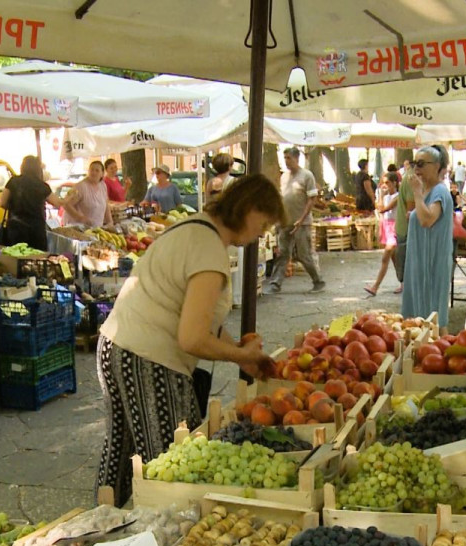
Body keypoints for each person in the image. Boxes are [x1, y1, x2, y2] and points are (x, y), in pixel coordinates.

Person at [96, 174, 285, 506]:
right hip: (149, 358)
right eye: (265, 223)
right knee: (173, 461)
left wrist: (243, 354)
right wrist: (236, 356)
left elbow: (202, 321)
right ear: (249, 209)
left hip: (117, 344)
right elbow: (192, 338)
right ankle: (162, 539)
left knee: (120, 451)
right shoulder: (209, 251)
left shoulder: (195, 228)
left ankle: (99, 529)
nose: (262, 234)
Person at [402, 146, 454, 335]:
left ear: (437, 166)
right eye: (415, 163)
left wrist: (416, 193)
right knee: (420, 315)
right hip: (419, 261)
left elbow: (427, 219)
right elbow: (421, 215)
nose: (417, 168)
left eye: (422, 164)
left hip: (432, 262)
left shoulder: (439, 190)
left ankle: (440, 354)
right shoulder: (427, 191)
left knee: (434, 316)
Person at [265, 147, 326, 294]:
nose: (286, 161)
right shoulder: (284, 177)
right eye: (284, 158)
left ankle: (317, 280)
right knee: (282, 254)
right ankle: (276, 283)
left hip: (302, 222)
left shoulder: (306, 176)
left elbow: (312, 199)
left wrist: (302, 218)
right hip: (285, 221)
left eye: (289, 158)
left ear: (296, 159)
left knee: (304, 254)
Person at [0, 155, 61, 251]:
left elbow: (2, 203)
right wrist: (70, 198)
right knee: (36, 259)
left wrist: (14, 207)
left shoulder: (13, 181)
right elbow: (57, 203)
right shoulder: (42, 186)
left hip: (16, 228)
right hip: (36, 229)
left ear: (22, 167)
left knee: (16, 257)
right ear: (38, 169)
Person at [364, 172, 399, 297]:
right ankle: (403, 282)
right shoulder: (386, 196)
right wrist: (382, 196)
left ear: (394, 183)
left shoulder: (398, 196)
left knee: (386, 257)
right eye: (383, 183)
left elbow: (383, 209)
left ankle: (375, 286)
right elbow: (379, 207)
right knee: (395, 259)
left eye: (387, 183)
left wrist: (382, 198)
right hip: (386, 226)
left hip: (394, 228)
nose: (385, 185)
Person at [62, 160, 113, 228]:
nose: (93, 172)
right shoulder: (81, 187)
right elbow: (66, 204)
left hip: (96, 228)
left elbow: (106, 204)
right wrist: (80, 218)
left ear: (102, 174)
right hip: (79, 228)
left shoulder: (103, 185)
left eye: (97, 170)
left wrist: (110, 222)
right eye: (91, 170)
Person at [392, 162, 417, 295]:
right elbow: (410, 208)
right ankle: (404, 284)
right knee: (404, 256)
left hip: (403, 226)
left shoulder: (409, 177)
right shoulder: (411, 178)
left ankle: (404, 284)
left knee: (402, 255)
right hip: (406, 228)